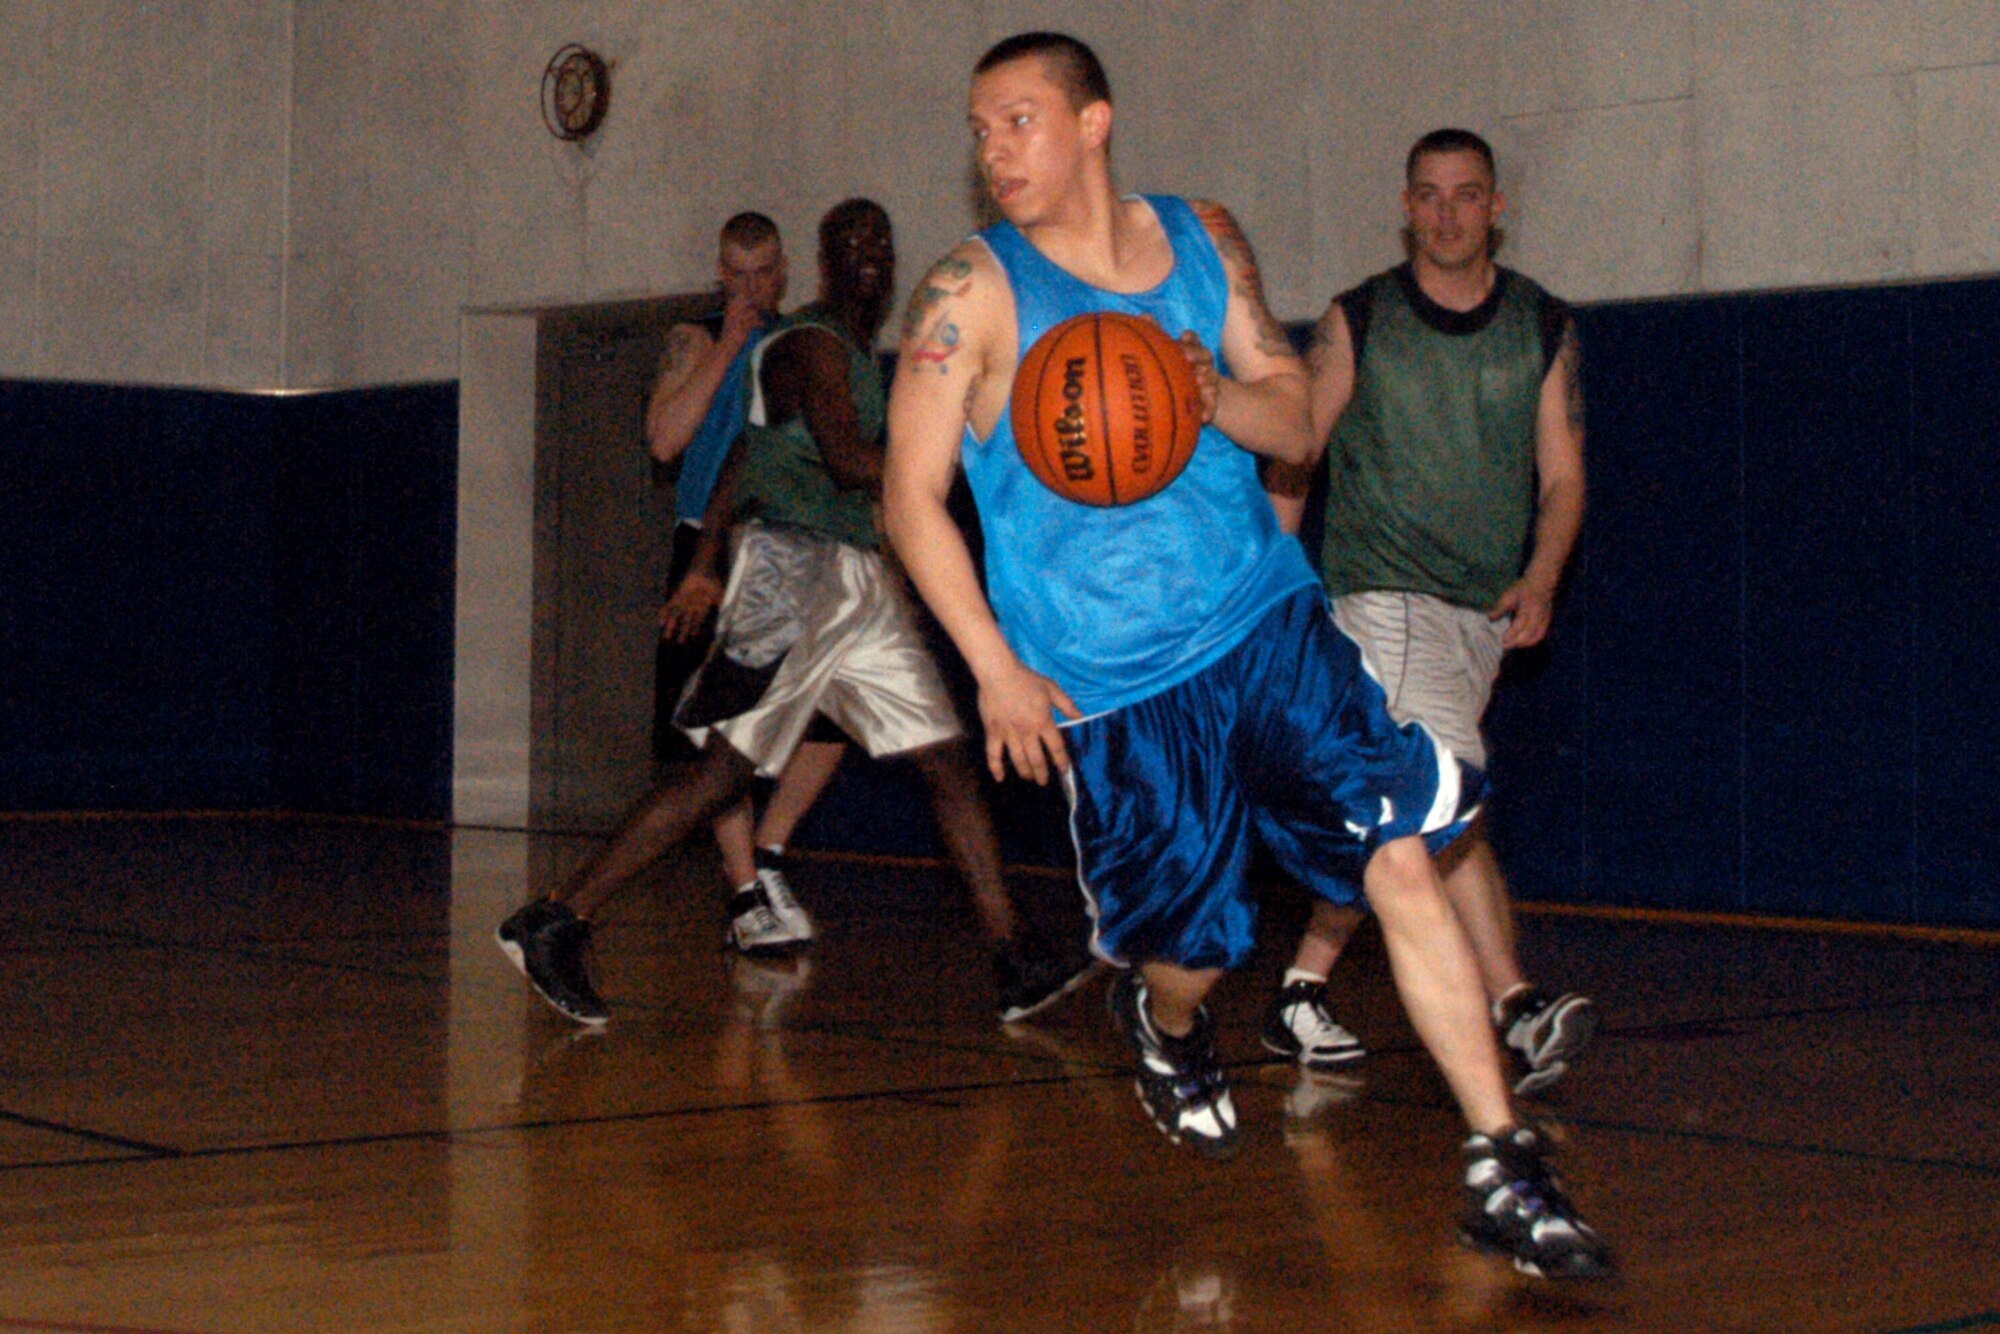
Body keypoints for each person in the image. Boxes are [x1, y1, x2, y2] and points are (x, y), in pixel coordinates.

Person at [883, 34, 1609, 1279]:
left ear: (1093, 121)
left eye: (1017, 120)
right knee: (1196, 948)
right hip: (1112, 682)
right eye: (979, 129)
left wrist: (1202, 393)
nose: (992, 150)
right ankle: (1164, 1022)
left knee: (1397, 847)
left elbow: (1292, 419)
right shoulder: (969, 291)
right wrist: (994, 668)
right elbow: (908, 497)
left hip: (1264, 621)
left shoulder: (1200, 242)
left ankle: (1501, 1155)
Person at [499, 198, 1093, 1030]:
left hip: (848, 579)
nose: (870, 264)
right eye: (852, 250)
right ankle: (557, 919)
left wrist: (708, 563)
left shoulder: (833, 348)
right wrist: (960, 444)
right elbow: (851, 462)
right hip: (795, 572)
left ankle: (1014, 955)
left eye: (882, 250)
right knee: (721, 774)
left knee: (948, 758)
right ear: (823, 261)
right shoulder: (813, 341)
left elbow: (745, 451)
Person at [1260, 129, 1594, 1096]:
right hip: (1383, 599)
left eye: (1467, 195)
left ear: (1496, 207)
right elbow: (1298, 444)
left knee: (1405, 821)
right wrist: (1273, 577)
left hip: (1479, 616)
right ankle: (1517, 1009)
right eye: (1430, 195)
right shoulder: (1360, 318)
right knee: (1445, 798)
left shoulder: (1542, 326)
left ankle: (1301, 988)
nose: (1447, 212)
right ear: (1406, 206)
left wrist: (1543, 575)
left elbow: (1564, 477)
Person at [644, 211, 848, 956]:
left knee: (833, 715)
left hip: (791, 546)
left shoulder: (805, 347)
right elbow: (664, 440)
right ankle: (742, 895)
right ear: (721, 273)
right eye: (739, 271)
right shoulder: (693, 341)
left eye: (766, 272)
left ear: (784, 271)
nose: (753, 285)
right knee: (715, 727)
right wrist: (730, 344)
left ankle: (766, 857)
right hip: (711, 547)